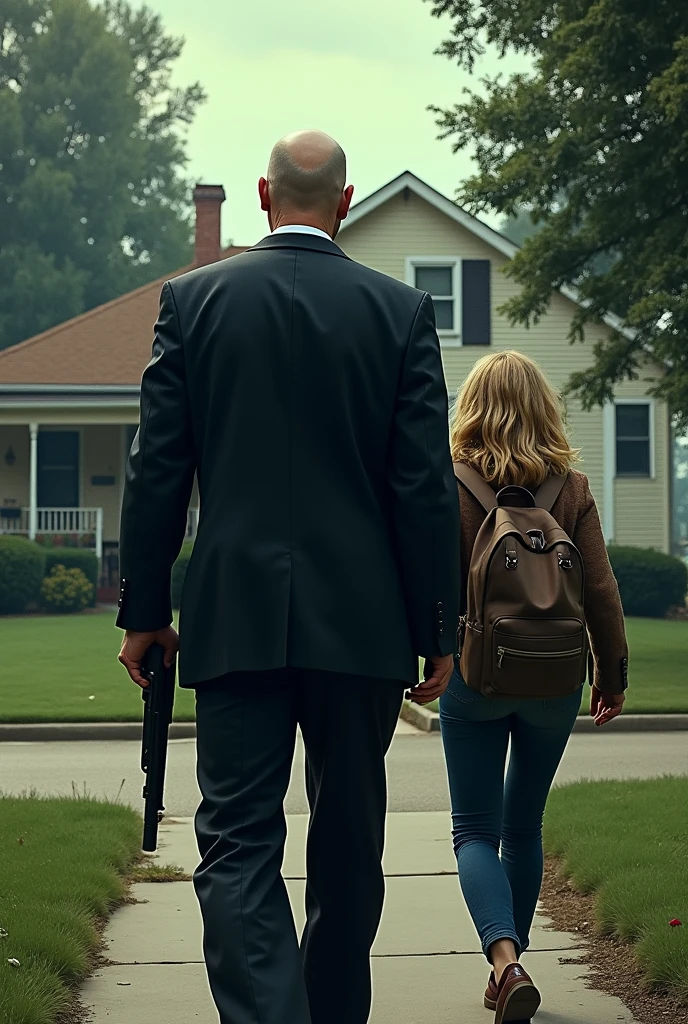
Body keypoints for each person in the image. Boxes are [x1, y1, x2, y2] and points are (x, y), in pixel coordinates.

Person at [116, 129, 460, 1024]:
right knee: (349, 848)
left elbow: (158, 468)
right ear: (346, 204)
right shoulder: (401, 313)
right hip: (364, 627)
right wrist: (437, 626)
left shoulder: (190, 303)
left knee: (234, 845)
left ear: (264, 198)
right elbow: (424, 488)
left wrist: (145, 610)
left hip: (233, 618)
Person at [440, 351, 628, 1024]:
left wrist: (428, 656)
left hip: (475, 677)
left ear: (472, 408)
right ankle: (510, 972)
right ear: (544, 408)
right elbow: (600, 591)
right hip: (555, 681)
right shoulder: (570, 489)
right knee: (523, 827)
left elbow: (432, 584)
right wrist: (611, 675)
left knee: (473, 831)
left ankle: (504, 961)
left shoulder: (451, 484)